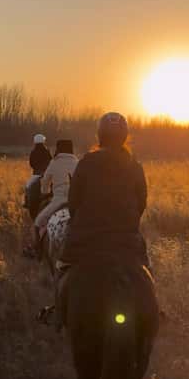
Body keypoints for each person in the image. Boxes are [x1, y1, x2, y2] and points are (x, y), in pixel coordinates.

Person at [61, 112, 149, 268]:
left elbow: (73, 203)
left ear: (99, 135)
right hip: (127, 240)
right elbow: (141, 204)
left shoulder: (85, 163)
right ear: (124, 136)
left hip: (85, 239)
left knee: (63, 269)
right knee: (146, 273)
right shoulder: (135, 167)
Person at [33, 139, 78, 249]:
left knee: (38, 223)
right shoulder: (77, 162)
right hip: (76, 203)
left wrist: (44, 192)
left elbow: (45, 181)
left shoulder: (54, 162)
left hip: (58, 201)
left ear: (58, 149)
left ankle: (37, 249)